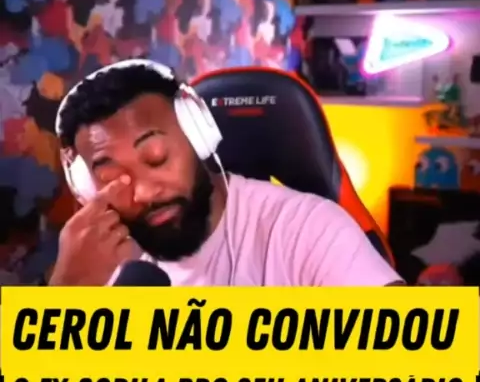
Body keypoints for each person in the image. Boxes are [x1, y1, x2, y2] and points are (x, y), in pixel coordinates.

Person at [51, 60, 405, 287]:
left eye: (156, 158)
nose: (142, 192)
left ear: (198, 136)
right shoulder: (94, 265)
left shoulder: (309, 230)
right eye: (112, 178)